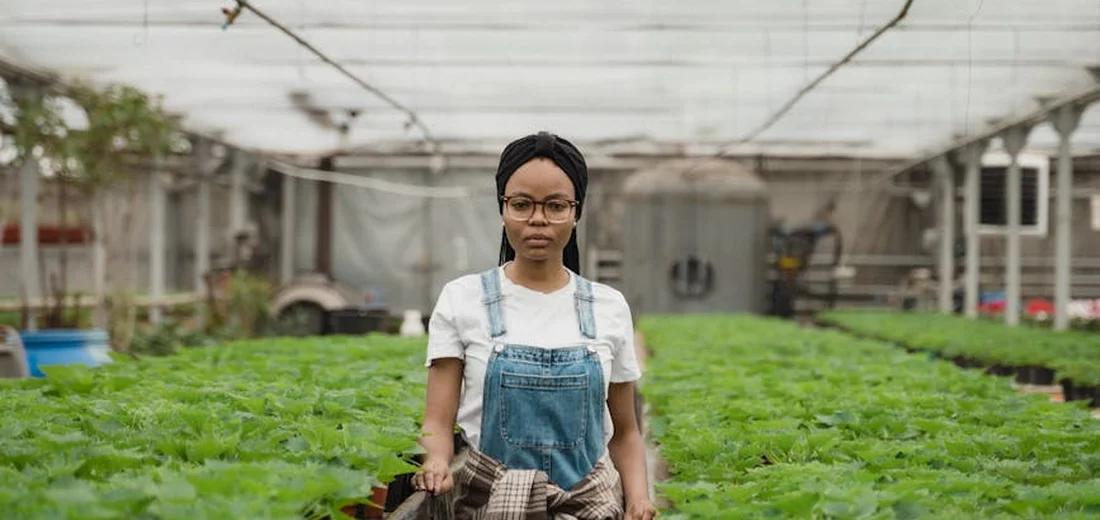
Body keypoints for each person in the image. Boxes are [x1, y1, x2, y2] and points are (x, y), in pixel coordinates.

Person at [412, 131, 657, 519]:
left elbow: (626, 433)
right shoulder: (462, 299)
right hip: (491, 505)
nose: (538, 219)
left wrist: (640, 498)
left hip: (588, 507)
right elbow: (437, 421)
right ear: (502, 209)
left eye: (556, 206)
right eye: (522, 204)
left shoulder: (608, 307)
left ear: (576, 213)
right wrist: (437, 461)